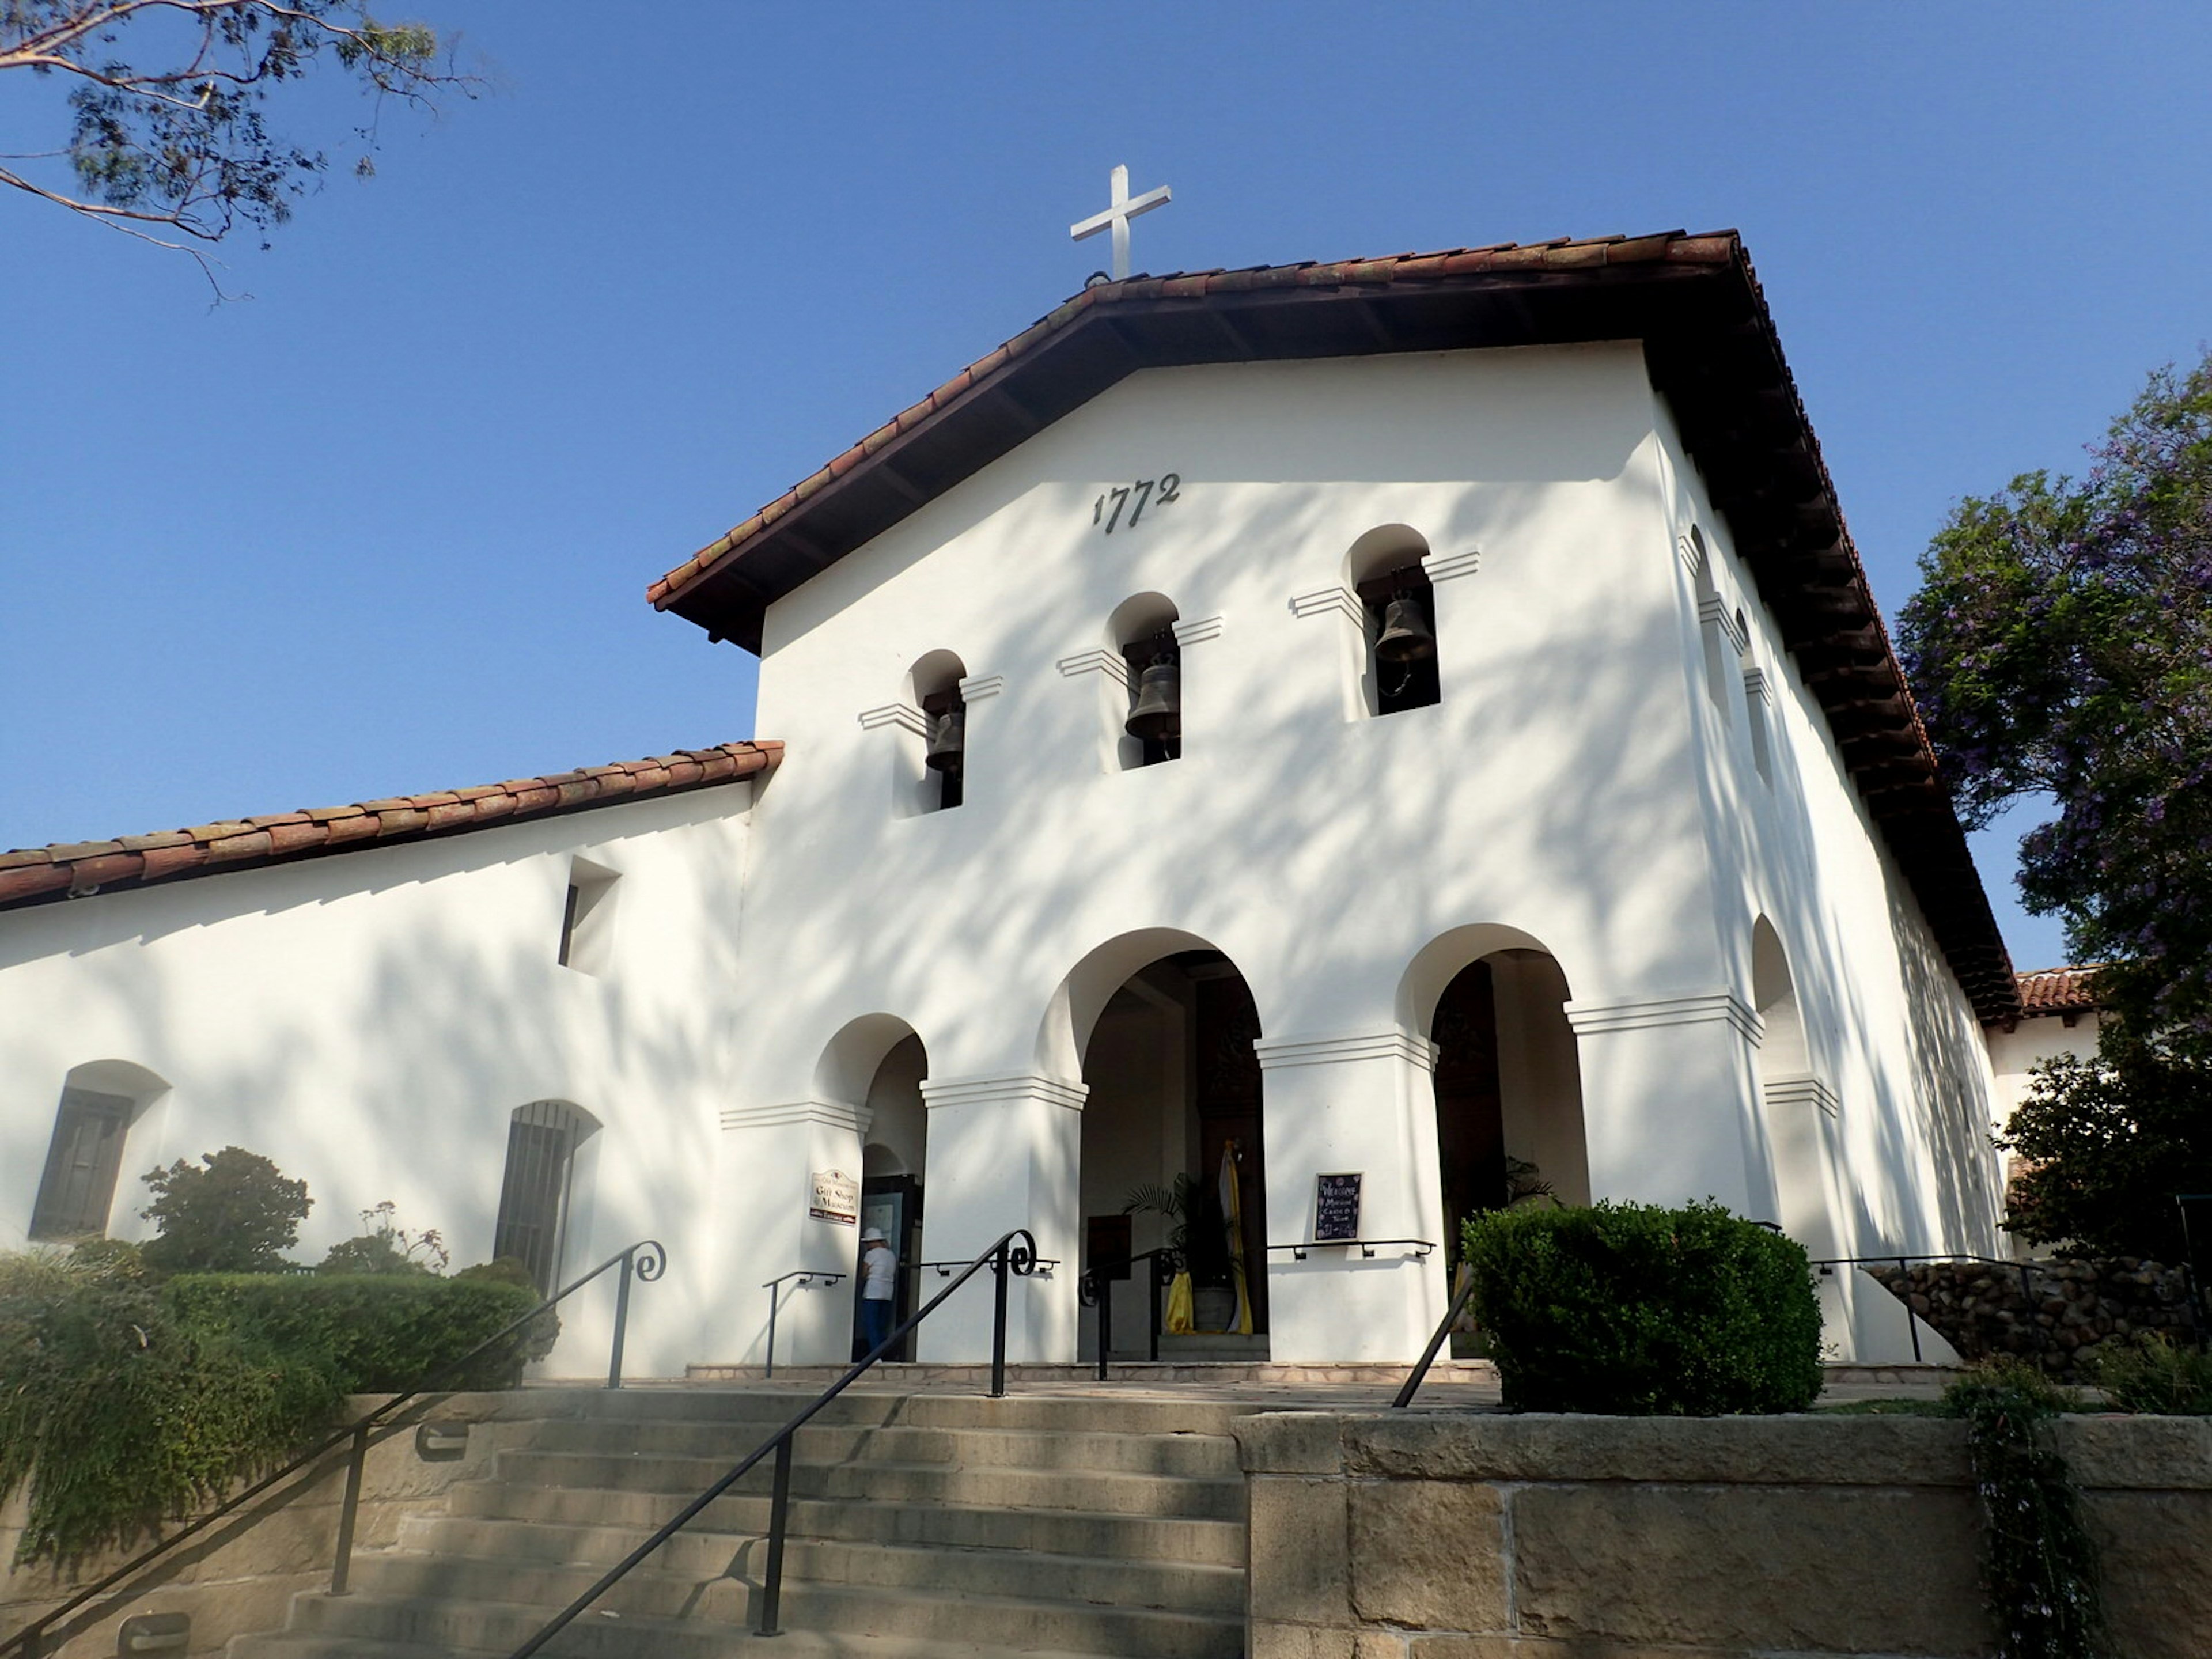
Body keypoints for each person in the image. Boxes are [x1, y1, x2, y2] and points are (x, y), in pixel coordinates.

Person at [858, 1225, 897, 1356]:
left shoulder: (871, 1254)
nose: (867, 1246)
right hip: (887, 1292)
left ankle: (875, 1355)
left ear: (872, 1242)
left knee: (871, 1324)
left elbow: (864, 1273)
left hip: (873, 1291)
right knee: (881, 1325)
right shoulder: (890, 1255)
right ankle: (883, 1351)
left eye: (867, 1243)